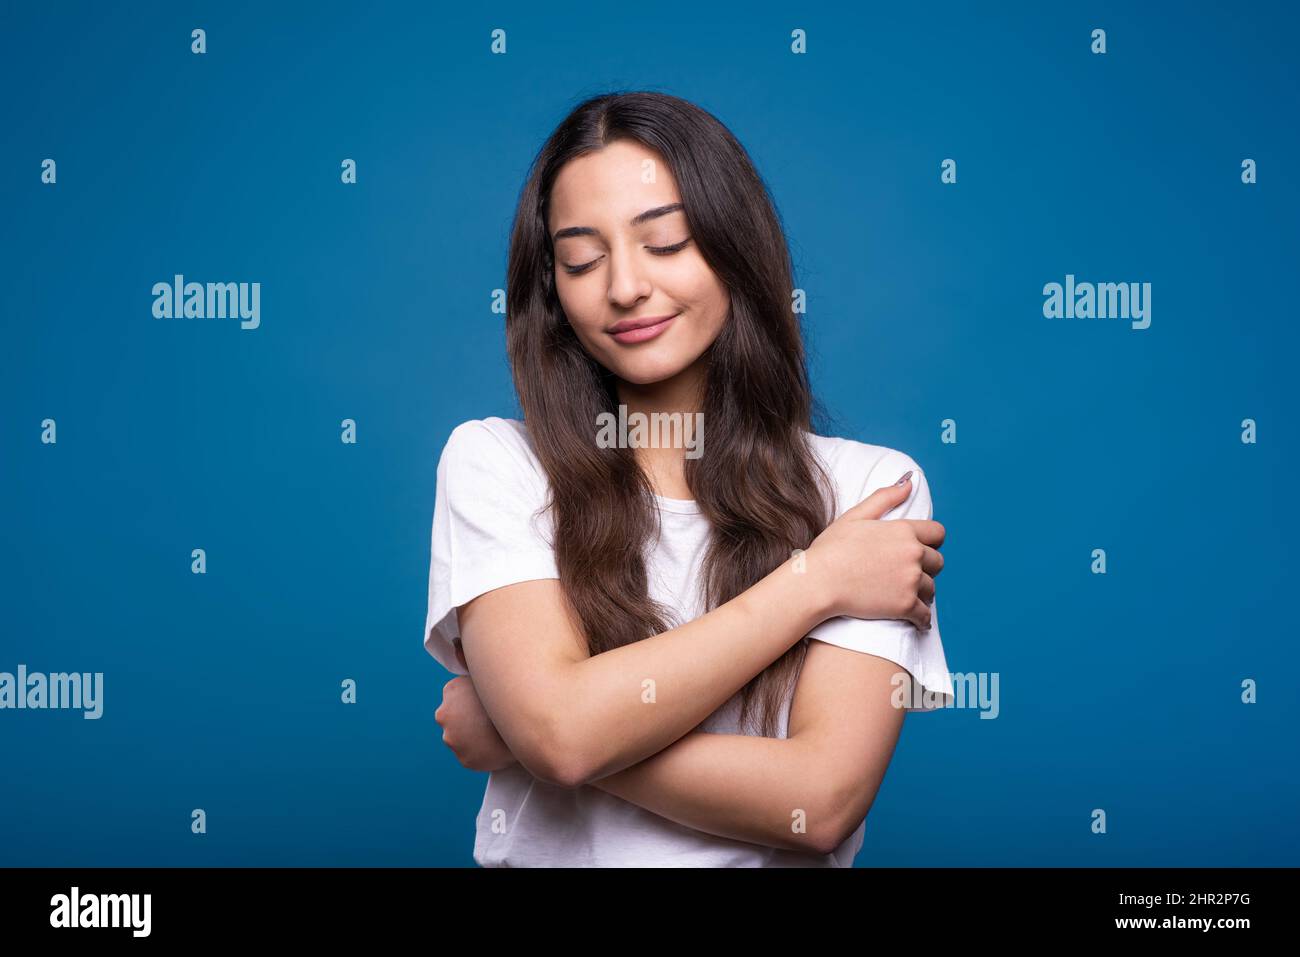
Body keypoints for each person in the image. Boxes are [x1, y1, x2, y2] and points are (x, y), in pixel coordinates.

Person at [423, 91, 954, 866]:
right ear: (554, 288)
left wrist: (530, 729)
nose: (625, 286)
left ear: (735, 249)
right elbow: (561, 736)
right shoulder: (495, 462)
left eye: (665, 243)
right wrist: (816, 581)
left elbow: (822, 801)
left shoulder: (869, 488)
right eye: (582, 257)